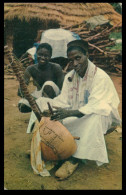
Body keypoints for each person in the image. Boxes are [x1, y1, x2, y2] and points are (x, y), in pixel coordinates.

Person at [27, 40, 121, 180]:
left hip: (101, 116)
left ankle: (75, 158)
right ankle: (49, 148)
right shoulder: (70, 76)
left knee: (93, 119)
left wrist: (70, 113)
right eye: (71, 60)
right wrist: (47, 106)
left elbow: (97, 105)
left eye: (78, 58)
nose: (75, 64)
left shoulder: (100, 77)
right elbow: (63, 101)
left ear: (87, 55)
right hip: (77, 113)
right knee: (42, 102)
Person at [18, 43, 64, 113]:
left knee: (48, 84)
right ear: (36, 54)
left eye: (46, 56)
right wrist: (28, 95)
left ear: (50, 56)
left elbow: (62, 89)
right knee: (22, 105)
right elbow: (20, 91)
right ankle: (40, 109)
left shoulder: (56, 67)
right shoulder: (31, 69)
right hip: (38, 95)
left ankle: (47, 110)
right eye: (40, 55)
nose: (42, 57)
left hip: (54, 96)